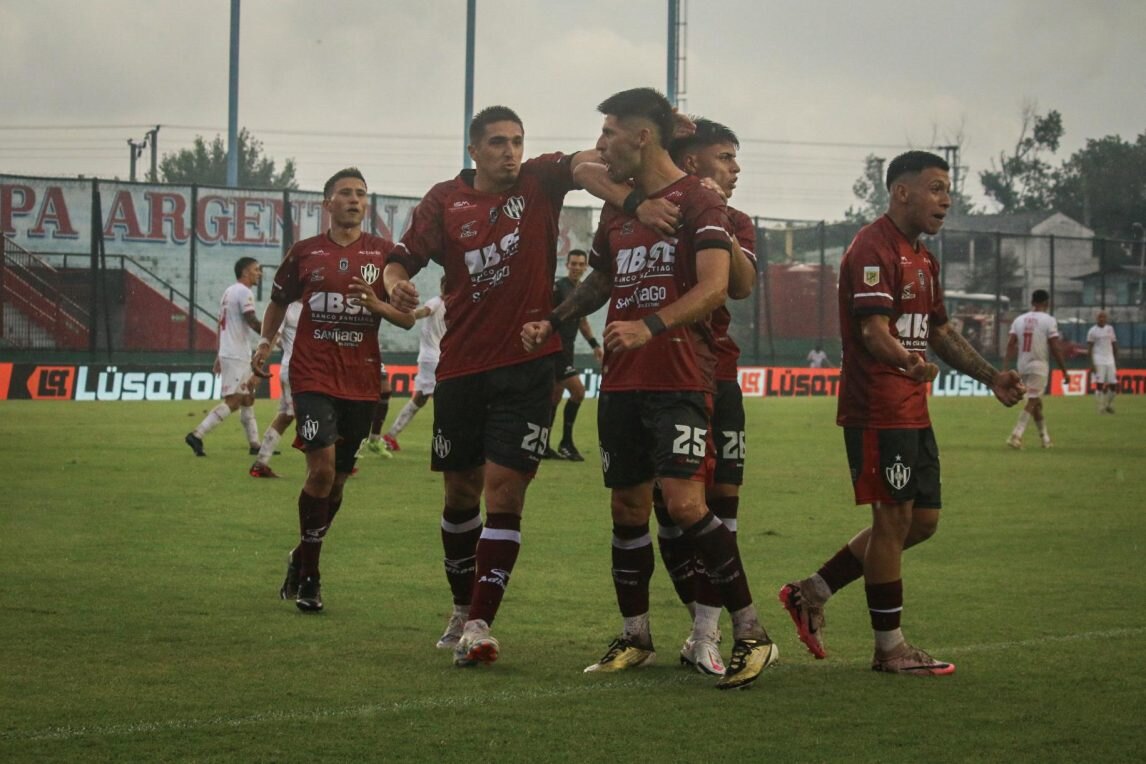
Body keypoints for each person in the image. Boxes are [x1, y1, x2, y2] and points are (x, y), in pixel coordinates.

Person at [383, 104, 679, 669]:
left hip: (527, 365)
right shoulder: (444, 200)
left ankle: (479, 623)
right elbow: (400, 261)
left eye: (517, 140)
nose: (510, 151)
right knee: (460, 495)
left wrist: (653, 144)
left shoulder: (540, 178)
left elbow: (591, 165)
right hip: (461, 368)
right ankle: (459, 606)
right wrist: (396, 286)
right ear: (473, 150)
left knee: (505, 494)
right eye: (497, 142)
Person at [523, 88, 776, 690]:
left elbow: (718, 286)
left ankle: (752, 634)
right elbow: (607, 280)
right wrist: (555, 318)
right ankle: (636, 635)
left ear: (642, 137)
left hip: (680, 376)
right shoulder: (623, 209)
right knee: (626, 508)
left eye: (611, 131)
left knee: (687, 505)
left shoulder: (699, 202)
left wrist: (649, 326)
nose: (602, 143)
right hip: (624, 381)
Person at [778, 151, 1024, 676]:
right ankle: (890, 648)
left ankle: (811, 592)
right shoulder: (873, 246)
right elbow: (872, 331)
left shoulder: (925, 259)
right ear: (901, 192)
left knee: (922, 522)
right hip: (878, 405)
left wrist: (992, 377)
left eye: (948, 190)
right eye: (936, 188)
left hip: (912, 406)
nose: (947, 200)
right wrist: (907, 363)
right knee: (891, 520)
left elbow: (939, 331)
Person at [251, 167, 413, 613]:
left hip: (360, 380)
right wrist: (265, 342)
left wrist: (377, 302)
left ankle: (300, 554)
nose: (355, 200)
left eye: (361, 194)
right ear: (327, 203)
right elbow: (279, 301)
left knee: (338, 483)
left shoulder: (385, 256)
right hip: (313, 374)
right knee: (320, 472)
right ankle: (311, 577)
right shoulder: (305, 253)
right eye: (345, 193)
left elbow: (405, 319)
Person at [644, 117, 759, 677]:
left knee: (722, 505)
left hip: (720, 377)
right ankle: (699, 623)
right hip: (664, 374)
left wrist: (719, 222)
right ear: (692, 162)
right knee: (669, 508)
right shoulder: (651, 209)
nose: (736, 169)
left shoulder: (735, 220)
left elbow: (740, 284)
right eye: (726, 157)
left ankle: (705, 633)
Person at [185, 257, 263, 457]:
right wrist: (269, 335)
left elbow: (221, 324)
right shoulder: (244, 292)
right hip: (236, 353)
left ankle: (255, 444)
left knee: (247, 398)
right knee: (235, 400)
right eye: (256, 270)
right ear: (245, 272)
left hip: (233, 351)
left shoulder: (228, 292)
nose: (259, 273)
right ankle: (197, 434)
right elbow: (251, 320)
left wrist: (219, 354)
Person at [546, 249, 604, 461]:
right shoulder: (558, 288)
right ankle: (566, 443)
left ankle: (542, 444)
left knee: (555, 396)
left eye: (581, 264)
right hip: (556, 349)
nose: (577, 268)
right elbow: (547, 316)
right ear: (567, 265)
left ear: (586, 267)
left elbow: (582, 322)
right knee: (578, 392)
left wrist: (595, 345)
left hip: (567, 349)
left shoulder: (581, 290)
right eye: (574, 264)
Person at [381, 277, 448, 450]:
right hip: (433, 359)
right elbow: (424, 311)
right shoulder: (437, 302)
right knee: (448, 399)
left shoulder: (450, 305)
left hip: (434, 358)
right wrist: (409, 315)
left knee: (420, 399)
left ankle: (390, 436)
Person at [1004, 289, 1070, 449]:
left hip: (1022, 365)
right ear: (1047, 303)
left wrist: (1005, 368)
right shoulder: (1048, 320)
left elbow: (1011, 343)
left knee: (1036, 403)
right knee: (1033, 400)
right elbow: (1055, 346)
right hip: (1038, 364)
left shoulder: (1019, 320)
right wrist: (1064, 370)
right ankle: (1016, 435)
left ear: (1032, 302)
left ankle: (1045, 439)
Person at [249, 300, 302, 478]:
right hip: (296, 371)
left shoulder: (314, 303)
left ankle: (260, 463)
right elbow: (272, 338)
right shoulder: (287, 307)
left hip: (301, 370)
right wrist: (260, 366)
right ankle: (331, 461)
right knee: (309, 414)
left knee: (285, 416)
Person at [1087, 310, 1118, 414]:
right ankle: (1101, 407)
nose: (1102, 319)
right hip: (1098, 359)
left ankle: (1108, 404)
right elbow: (1090, 348)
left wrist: (1116, 359)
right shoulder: (1092, 331)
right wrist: (1091, 364)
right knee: (1099, 385)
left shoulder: (1110, 329)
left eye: (1104, 317)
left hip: (1110, 360)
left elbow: (1114, 344)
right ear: (1096, 318)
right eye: (1100, 317)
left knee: (1113, 385)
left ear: (1106, 318)